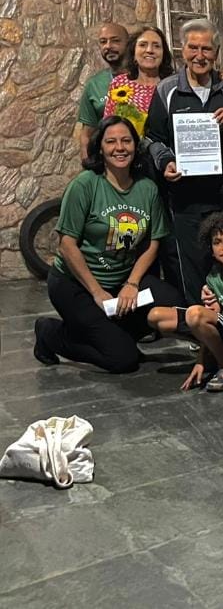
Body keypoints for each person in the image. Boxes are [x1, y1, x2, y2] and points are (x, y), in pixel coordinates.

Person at [33, 116, 184, 373]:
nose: (120, 148)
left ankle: (113, 335)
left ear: (135, 146)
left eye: (126, 141)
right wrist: (97, 292)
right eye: (111, 141)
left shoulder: (147, 188)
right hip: (76, 285)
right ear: (100, 148)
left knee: (172, 300)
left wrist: (132, 283)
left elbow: (153, 241)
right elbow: (67, 245)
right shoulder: (84, 185)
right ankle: (51, 333)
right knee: (123, 359)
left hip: (121, 279)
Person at [145, 18, 223, 306]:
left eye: (206, 49)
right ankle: (195, 319)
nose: (199, 55)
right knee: (190, 266)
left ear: (216, 52)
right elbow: (152, 138)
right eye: (193, 48)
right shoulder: (167, 90)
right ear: (183, 51)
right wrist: (166, 162)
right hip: (184, 198)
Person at [148, 211, 223, 392]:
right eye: (217, 242)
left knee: (195, 314)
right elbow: (210, 319)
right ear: (211, 249)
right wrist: (201, 360)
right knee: (157, 316)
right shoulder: (213, 278)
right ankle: (215, 354)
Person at [103, 26, 175, 137]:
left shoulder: (172, 85)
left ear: (163, 53)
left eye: (156, 46)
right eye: (143, 45)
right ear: (134, 53)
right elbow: (108, 125)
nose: (149, 50)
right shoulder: (119, 84)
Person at [77, 22, 128, 161]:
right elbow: (87, 134)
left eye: (115, 41)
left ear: (128, 44)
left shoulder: (142, 78)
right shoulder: (94, 85)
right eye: (103, 42)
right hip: (108, 163)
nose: (108, 46)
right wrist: (88, 166)